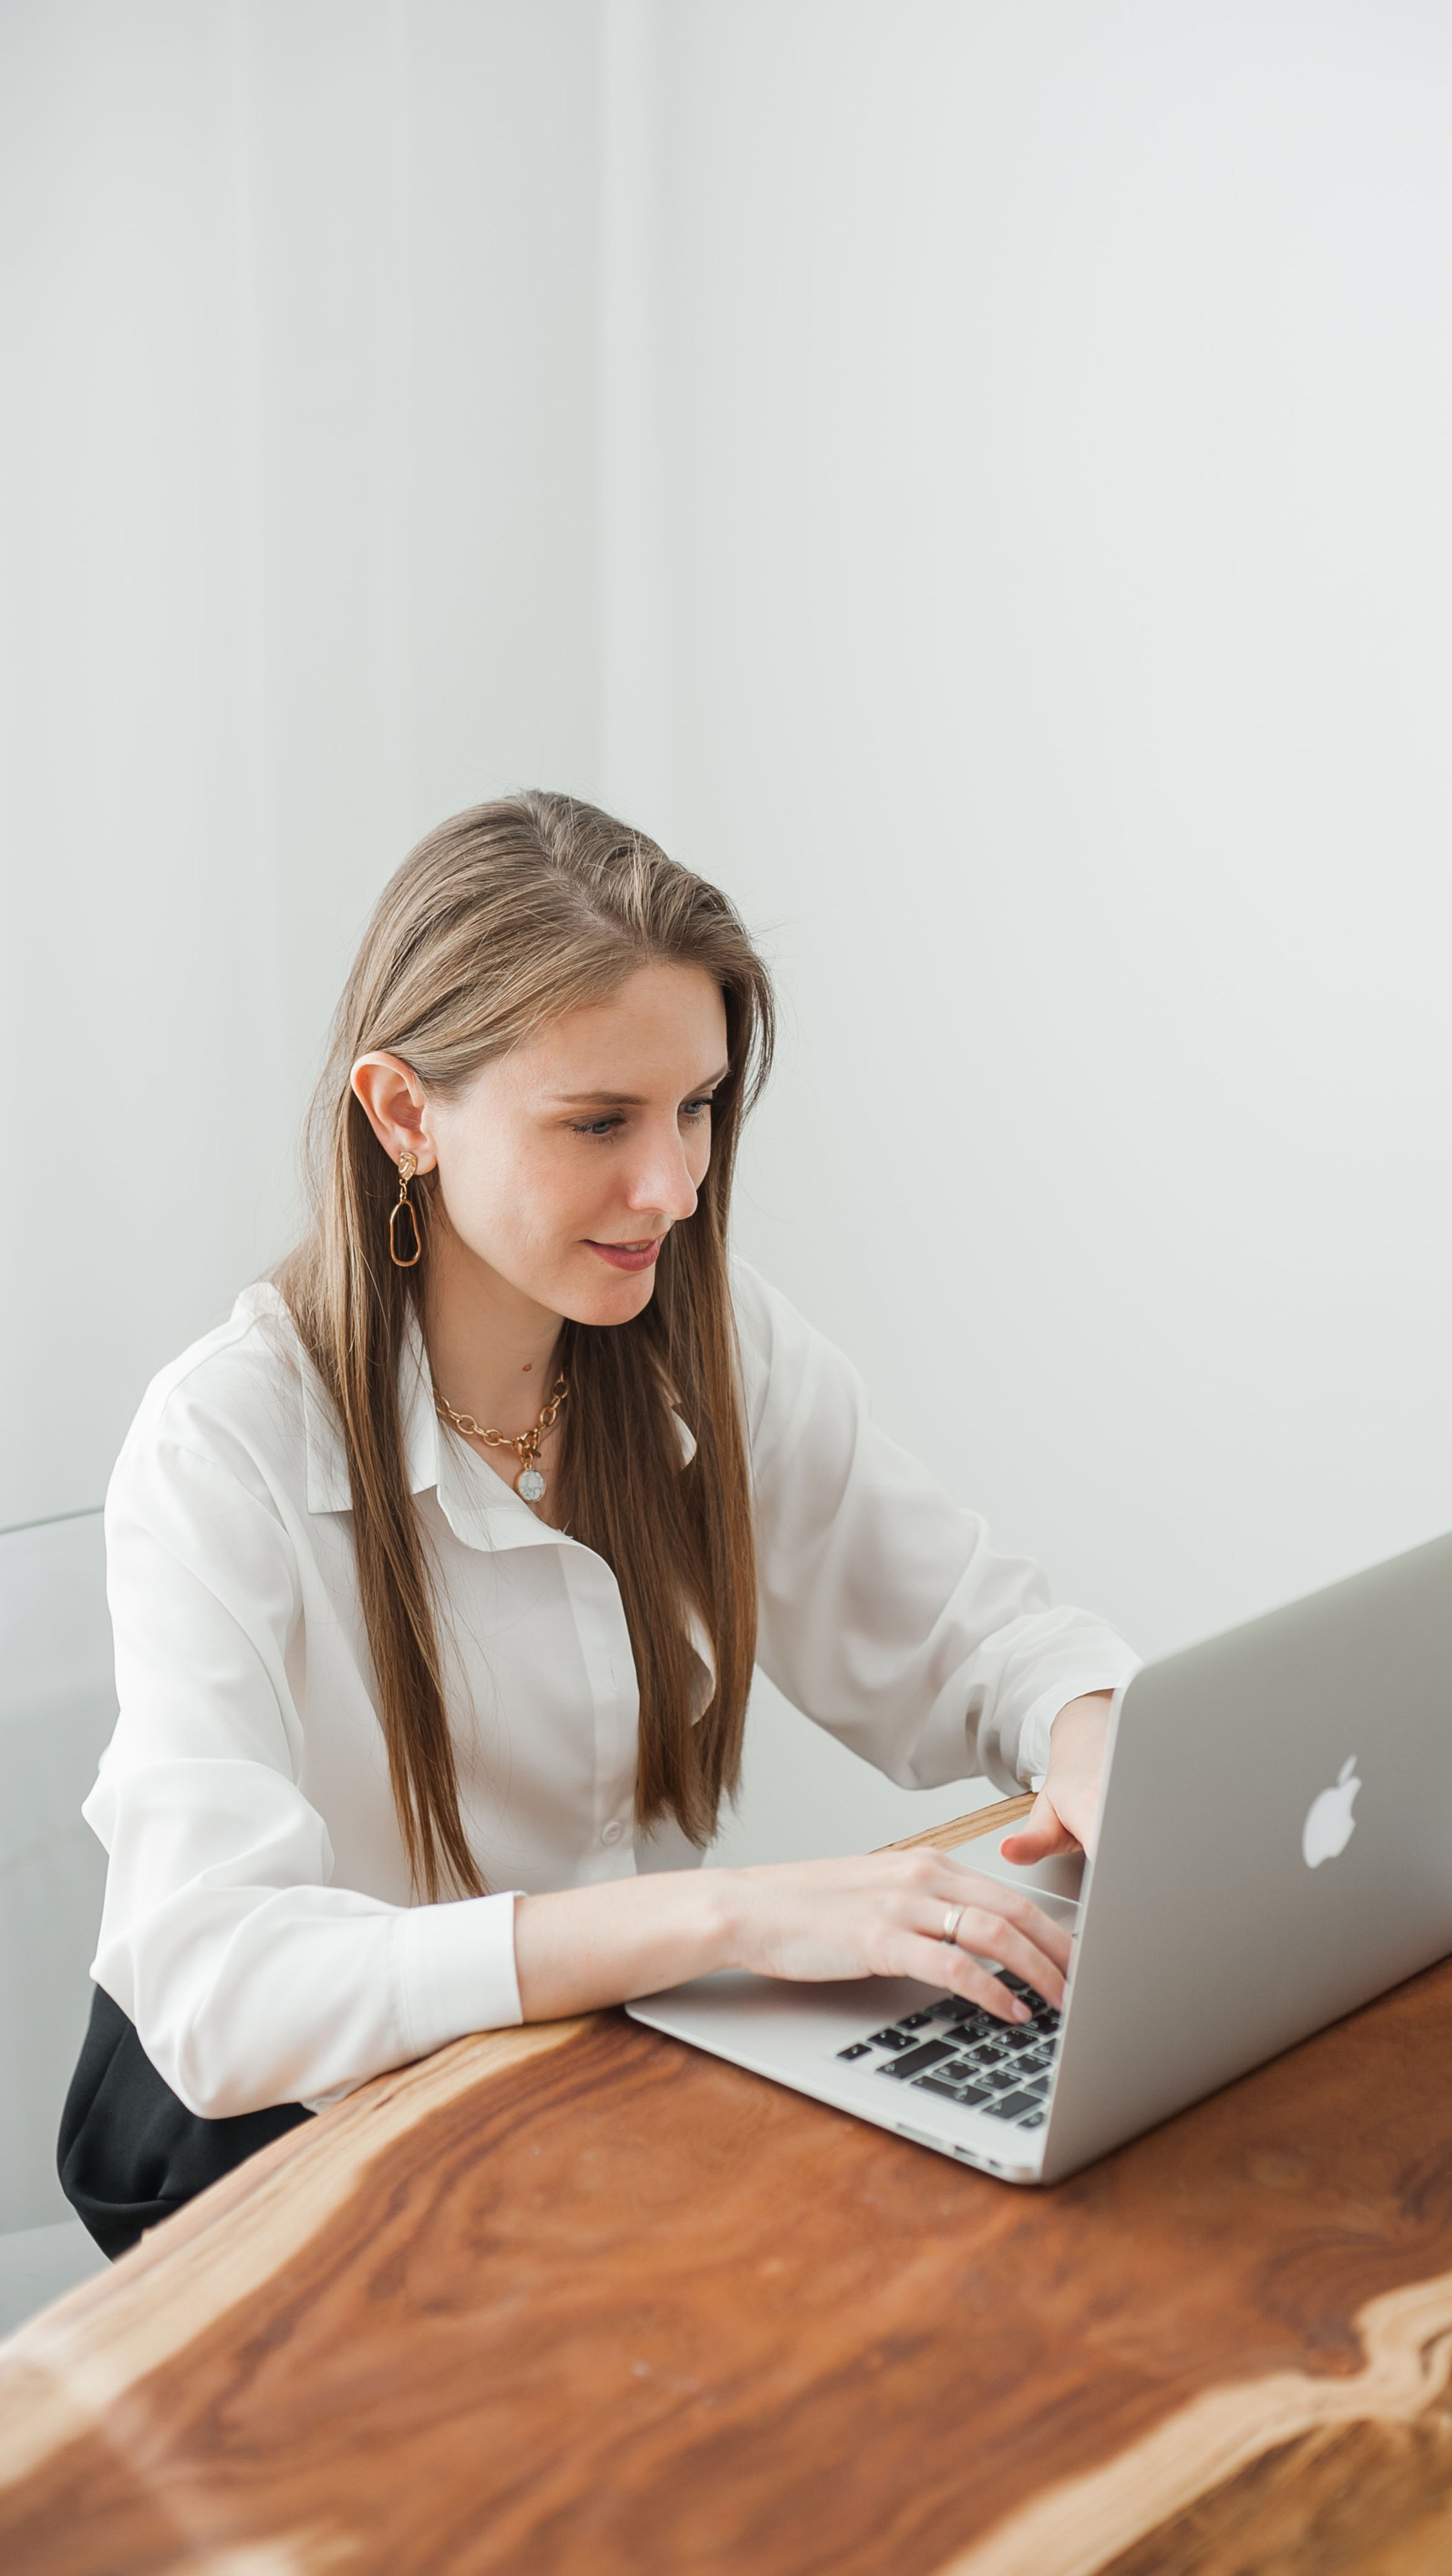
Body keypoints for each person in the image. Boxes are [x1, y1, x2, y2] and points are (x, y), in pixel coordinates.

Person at [60, 793, 1139, 2255]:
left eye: (695, 1106)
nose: (674, 1187)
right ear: (403, 1114)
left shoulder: (705, 1337)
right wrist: (729, 1924)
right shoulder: (225, 1440)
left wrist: (1087, 1730)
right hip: (274, 2139)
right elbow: (221, 1986)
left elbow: (973, 1634)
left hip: (582, 2077)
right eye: (598, 1123)